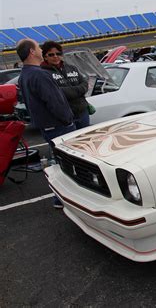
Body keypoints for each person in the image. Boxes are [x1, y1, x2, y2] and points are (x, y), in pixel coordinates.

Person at [16, 39, 75, 209]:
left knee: (56, 162)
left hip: (46, 126)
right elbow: (55, 102)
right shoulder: (39, 74)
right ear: (32, 52)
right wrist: (68, 120)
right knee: (63, 164)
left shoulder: (24, 74)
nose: (41, 49)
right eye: (38, 47)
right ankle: (61, 199)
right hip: (58, 126)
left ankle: (59, 198)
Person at [41, 41, 90, 129]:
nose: (55, 56)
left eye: (58, 54)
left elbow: (85, 85)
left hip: (82, 112)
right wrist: (77, 90)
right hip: (65, 117)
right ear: (45, 57)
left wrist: (68, 91)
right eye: (51, 54)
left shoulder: (71, 68)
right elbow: (55, 92)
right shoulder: (43, 73)